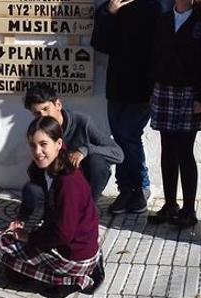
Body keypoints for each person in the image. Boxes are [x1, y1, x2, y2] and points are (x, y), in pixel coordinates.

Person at [0, 116, 104, 298]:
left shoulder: (68, 181)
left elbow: (63, 233)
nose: (38, 152)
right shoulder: (55, 168)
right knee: (15, 260)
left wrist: (30, 237)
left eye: (44, 144)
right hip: (79, 246)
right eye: (33, 146)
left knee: (0, 244)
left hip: (76, 254)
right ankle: (59, 277)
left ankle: (70, 280)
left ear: (58, 143)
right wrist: (24, 226)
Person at [90, 0, 163, 214]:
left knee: (128, 135)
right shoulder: (109, 5)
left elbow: (160, 49)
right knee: (119, 138)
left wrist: (157, 84)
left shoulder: (153, 7)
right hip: (117, 84)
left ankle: (140, 187)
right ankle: (126, 190)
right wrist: (110, 14)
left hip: (143, 85)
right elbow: (99, 44)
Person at [146, 0, 201, 228]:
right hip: (164, 91)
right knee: (167, 149)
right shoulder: (163, 20)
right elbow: (152, 55)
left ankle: (189, 209)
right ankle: (170, 204)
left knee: (185, 150)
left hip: (190, 94)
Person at [13, 84, 123, 224]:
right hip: (56, 183)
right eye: (36, 113)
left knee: (98, 163)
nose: (43, 116)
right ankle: (52, 211)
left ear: (58, 104)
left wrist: (85, 150)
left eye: (46, 109)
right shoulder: (39, 128)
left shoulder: (82, 122)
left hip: (80, 182)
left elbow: (118, 153)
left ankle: (88, 207)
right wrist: (21, 218)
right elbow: (36, 171)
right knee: (31, 190)